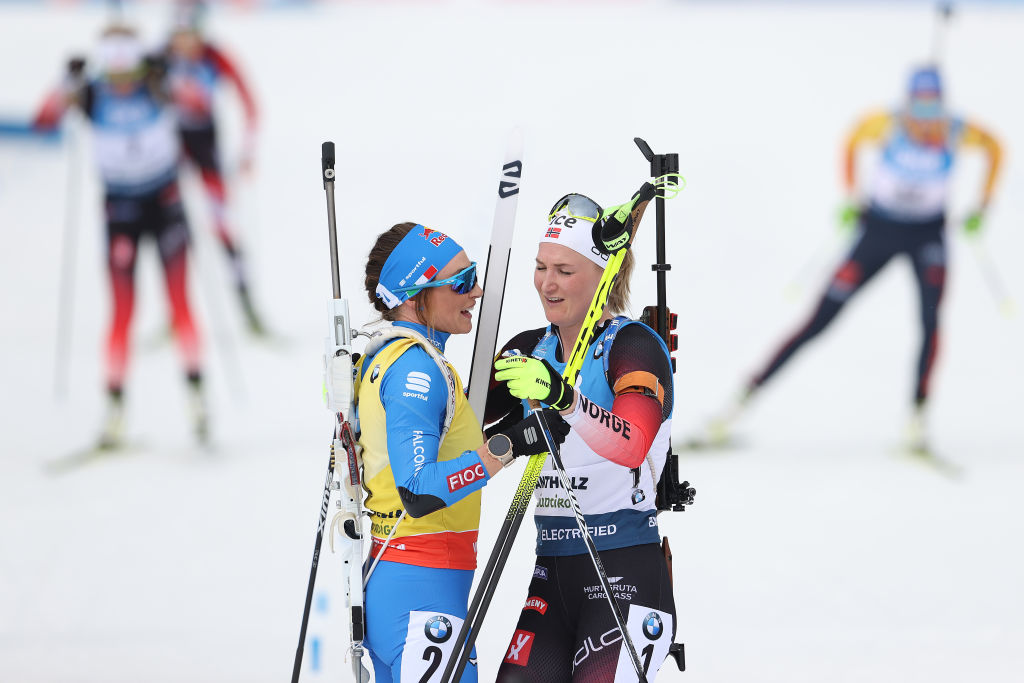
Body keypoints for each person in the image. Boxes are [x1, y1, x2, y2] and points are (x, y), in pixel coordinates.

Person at [706, 64, 1002, 453]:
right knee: (819, 319)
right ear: (908, 102)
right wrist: (850, 194)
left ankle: (917, 420)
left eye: (934, 108)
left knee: (931, 322)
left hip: (927, 234)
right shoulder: (886, 124)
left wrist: (982, 205)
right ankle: (737, 405)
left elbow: (996, 149)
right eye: (920, 106)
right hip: (878, 230)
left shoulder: (957, 130)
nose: (926, 118)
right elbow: (852, 138)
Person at [352, 222, 569, 683]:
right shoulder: (417, 369)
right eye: (461, 281)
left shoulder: (393, 356)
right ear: (414, 297)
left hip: (407, 580)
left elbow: (446, 448)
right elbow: (418, 490)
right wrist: (510, 447)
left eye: (473, 274)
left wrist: (526, 424)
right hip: (421, 588)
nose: (477, 290)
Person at [484, 194, 679, 682]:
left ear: (603, 275)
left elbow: (631, 443)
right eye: (541, 267)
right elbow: (461, 428)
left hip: (624, 566)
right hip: (551, 570)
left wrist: (561, 396)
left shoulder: (632, 346)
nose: (547, 284)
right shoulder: (528, 349)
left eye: (565, 271)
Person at [34, 25, 207, 447]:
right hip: (121, 211)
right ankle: (114, 411)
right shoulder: (92, 92)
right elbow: (43, 122)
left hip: (165, 205)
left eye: (129, 75)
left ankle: (198, 403)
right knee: (123, 312)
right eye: (115, 78)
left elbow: (199, 106)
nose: (124, 86)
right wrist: (66, 85)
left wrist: (171, 79)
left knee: (181, 303)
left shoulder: (156, 81)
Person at [163, 2, 265, 334]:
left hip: (206, 151)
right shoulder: (160, 58)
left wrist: (247, 151)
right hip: (170, 154)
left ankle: (248, 310)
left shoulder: (213, 56)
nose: (184, 42)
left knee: (223, 227)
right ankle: (175, 316)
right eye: (179, 35)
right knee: (172, 233)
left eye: (190, 34)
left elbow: (250, 101)